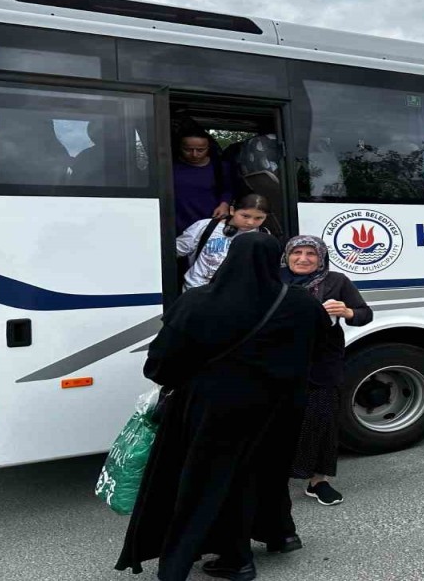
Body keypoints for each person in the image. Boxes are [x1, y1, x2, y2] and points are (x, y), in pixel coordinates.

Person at [115, 233, 331, 581]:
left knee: (215, 482)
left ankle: (236, 558)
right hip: (280, 407)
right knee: (267, 472)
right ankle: (280, 533)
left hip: (216, 409)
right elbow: (323, 349)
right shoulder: (301, 302)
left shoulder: (198, 302)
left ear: (231, 258)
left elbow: (161, 361)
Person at [282, 235, 374, 506]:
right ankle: (274, 477)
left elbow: (365, 314)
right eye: (296, 252)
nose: (303, 259)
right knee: (278, 422)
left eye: (311, 253)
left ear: (321, 257)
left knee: (321, 420)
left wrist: (347, 312)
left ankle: (318, 481)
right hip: (280, 362)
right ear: (287, 256)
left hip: (323, 362)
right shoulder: (274, 279)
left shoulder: (336, 281)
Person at [176, 194, 271, 290]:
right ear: (232, 210)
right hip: (196, 289)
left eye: (259, 218)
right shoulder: (205, 226)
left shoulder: (264, 235)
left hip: (235, 293)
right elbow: (174, 251)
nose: (250, 222)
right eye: (245, 216)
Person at [173, 126, 235, 234]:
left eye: (200, 150)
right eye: (188, 150)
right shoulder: (169, 166)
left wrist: (224, 204)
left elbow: (228, 189)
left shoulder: (219, 168)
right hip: (175, 226)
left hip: (208, 224)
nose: (194, 154)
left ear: (208, 148)